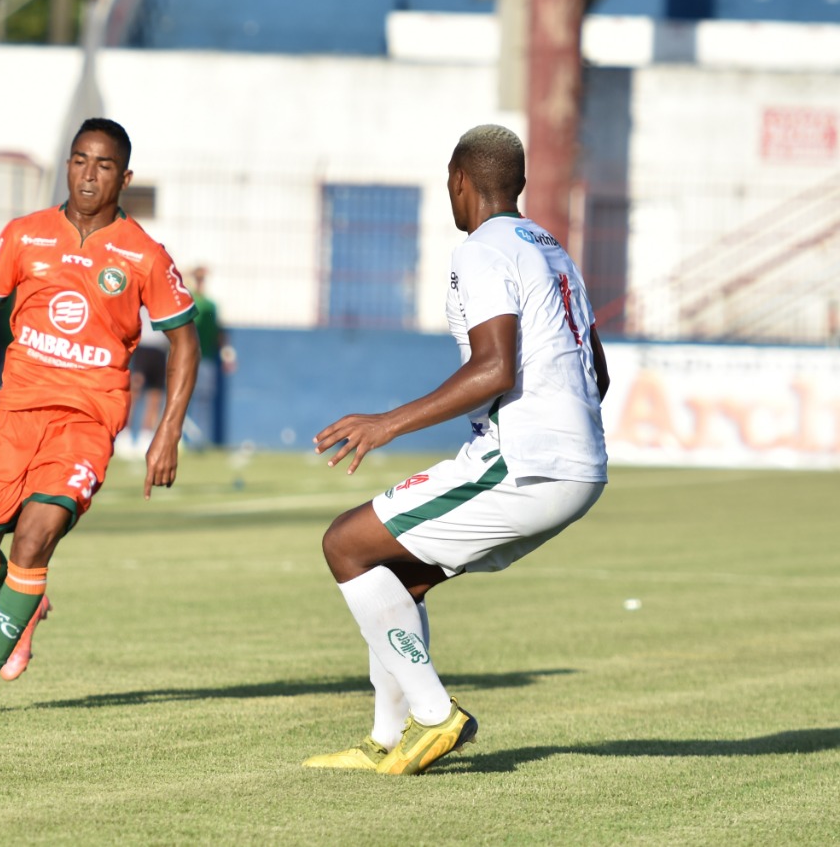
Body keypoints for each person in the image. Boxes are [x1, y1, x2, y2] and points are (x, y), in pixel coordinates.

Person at [303, 124, 610, 775]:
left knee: (346, 544)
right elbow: (597, 374)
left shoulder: (483, 248)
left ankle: (435, 713)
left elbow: (496, 367)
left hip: (523, 460)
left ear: (458, 181)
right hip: (572, 460)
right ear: (518, 183)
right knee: (396, 577)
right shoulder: (551, 249)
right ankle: (388, 738)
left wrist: (388, 422)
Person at [0, 117, 199, 716]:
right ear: (67, 164)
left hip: (87, 418)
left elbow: (185, 341)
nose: (89, 174)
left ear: (125, 177)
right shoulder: (24, 235)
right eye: (80, 160)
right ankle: (22, 612)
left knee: (35, 536)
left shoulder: (144, 255)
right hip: (13, 412)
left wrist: (168, 433)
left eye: (104, 165)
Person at [187, 264, 237, 447]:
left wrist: (226, 354)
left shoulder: (210, 305)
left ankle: (199, 439)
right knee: (184, 398)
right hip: (188, 358)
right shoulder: (188, 300)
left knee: (203, 399)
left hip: (205, 358)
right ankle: (182, 438)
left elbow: (219, 333)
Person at [122, 306, 169, 455]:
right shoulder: (140, 295)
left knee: (155, 394)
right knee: (134, 391)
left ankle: (146, 436)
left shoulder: (167, 295)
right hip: (142, 347)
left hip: (161, 349)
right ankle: (125, 434)